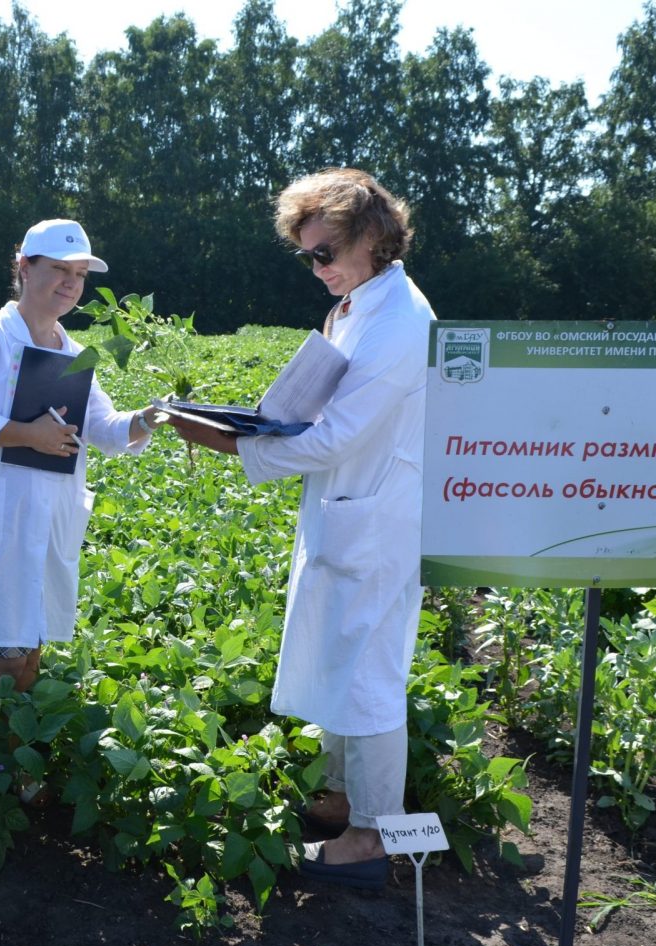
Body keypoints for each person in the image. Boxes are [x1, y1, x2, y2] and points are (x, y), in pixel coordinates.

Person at [170, 169, 435, 889]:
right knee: (348, 662)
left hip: (376, 528)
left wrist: (228, 442)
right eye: (307, 256)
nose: (316, 269)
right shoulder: (361, 305)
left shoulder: (402, 323)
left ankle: (372, 834)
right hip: (350, 513)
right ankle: (347, 797)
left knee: (373, 677)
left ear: (374, 238)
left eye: (326, 253)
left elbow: (332, 440)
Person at [0, 219, 162, 702]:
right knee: (2, 666)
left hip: (50, 523)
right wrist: (25, 434)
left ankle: (12, 767)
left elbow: (108, 430)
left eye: (79, 274)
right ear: (25, 267)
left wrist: (154, 416)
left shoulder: (75, 352)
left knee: (30, 657)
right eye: (59, 269)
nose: (71, 284)